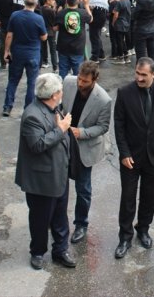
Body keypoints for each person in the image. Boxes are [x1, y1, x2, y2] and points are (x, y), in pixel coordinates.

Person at [114, 58, 154, 259]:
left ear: (153, 75)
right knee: (128, 197)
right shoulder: (124, 93)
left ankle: (143, 229)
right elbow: (119, 125)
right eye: (137, 74)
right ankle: (125, 236)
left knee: (150, 195)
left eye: (143, 75)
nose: (139, 78)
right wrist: (124, 153)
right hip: (131, 157)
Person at [15, 73, 77, 270]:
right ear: (55, 94)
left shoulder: (54, 108)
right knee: (41, 219)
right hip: (41, 180)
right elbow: (37, 145)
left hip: (59, 174)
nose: (62, 94)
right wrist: (61, 130)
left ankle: (61, 250)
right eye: (60, 91)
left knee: (60, 215)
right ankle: (38, 252)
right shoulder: (32, 115)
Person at [60, 62, 112, 245]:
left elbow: (103, 127)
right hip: (63, 143)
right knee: (59, 185)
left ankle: (81, 224)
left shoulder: (104, 99)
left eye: (85, 81)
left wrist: (81, 133)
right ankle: (58, 220)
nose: (80, 84)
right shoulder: (68, 82)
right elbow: (57, 105)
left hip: (85, 147)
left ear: (94, 80)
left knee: (83, 189)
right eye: (80, 79)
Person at [3, 0, 48, 116]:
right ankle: (28, 109)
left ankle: (7, 106)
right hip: (33, 53)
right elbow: (44, 37)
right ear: (36, 4)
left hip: (17, 52)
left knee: (12, 80)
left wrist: (6, 51)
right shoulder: (38, 18)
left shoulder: (15, 16)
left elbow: (9, 35)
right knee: (32, 82)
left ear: (24, 2)